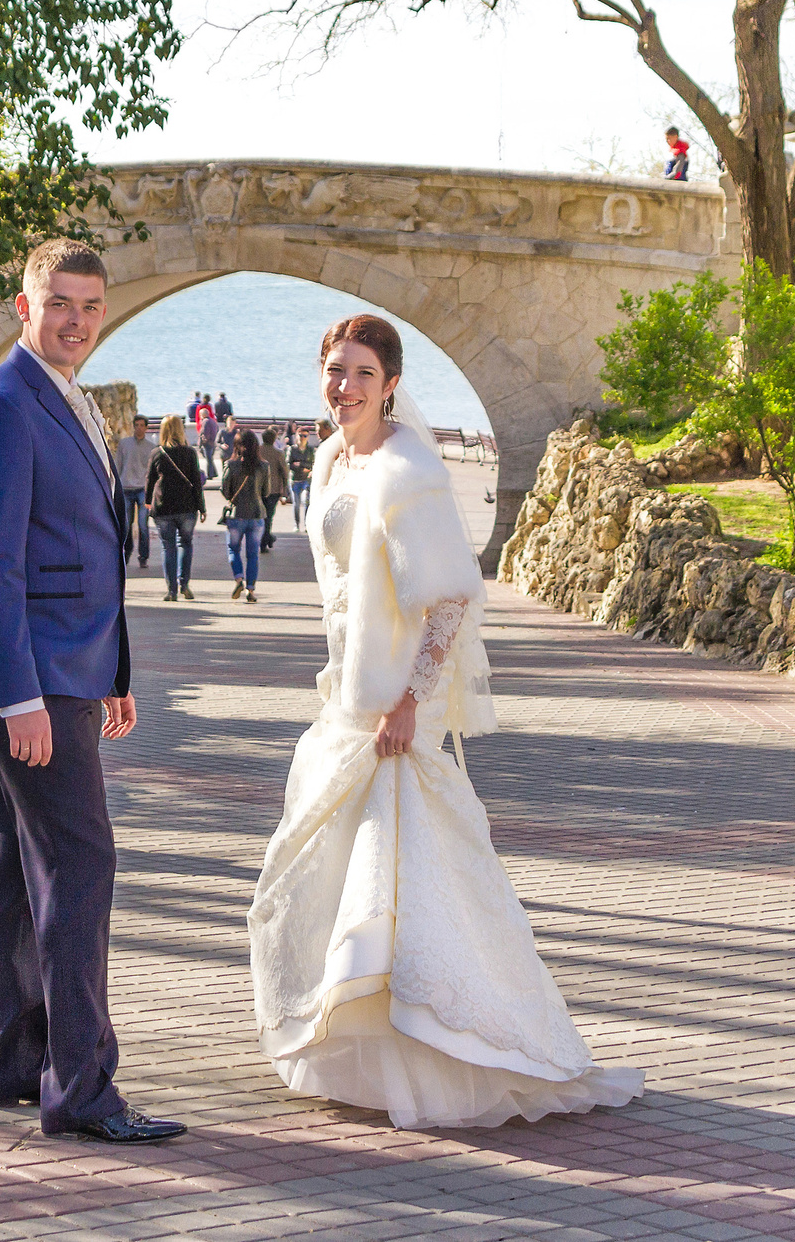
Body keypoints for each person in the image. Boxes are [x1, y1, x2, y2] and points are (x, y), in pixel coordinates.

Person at [249, 313, 644, 1129]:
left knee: (408, 872)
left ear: (391, 383)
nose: (345, 386)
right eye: (334, 369)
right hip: (345, 695)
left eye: (363, 373)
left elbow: (455, 596)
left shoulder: (408, 468)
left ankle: (459, 1044)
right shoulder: (329, 457)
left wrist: (409, 700)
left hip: (395, 704)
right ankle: (360, 1048)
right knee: (327, 866)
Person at [0, 238, 184, 1145]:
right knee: (80, 863)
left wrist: (112, 671)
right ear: (24, 306)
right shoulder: (0, 406)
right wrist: (22, 699)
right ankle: (81, 1089)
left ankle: (10, 1060)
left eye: (90, 305)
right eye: (59, 304)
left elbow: (86, 549)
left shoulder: (64, 393)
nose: (77, 320)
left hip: (68, 665)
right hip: (27, 673)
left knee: (16, 859)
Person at [144, 414, 204, 602]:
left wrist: (147, 502)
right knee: (185, 544)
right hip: (187, 507)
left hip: (163, 507)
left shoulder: (157, 453)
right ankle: (184, 584)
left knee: (168, 547)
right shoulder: (190, 453)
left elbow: (150, 480)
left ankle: (171, 590)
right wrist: (202, 507)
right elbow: (196, 481)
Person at [221, 430, 268, 601]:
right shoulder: (263, 466)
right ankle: (250, 589)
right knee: (253, 554)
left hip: (236, 515)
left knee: (233, 549)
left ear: (237, 445)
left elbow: (225, 490)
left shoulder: (231, 465)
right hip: (256, 514)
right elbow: (266, 491)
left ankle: (239, 578)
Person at [114, 415, 155, 569]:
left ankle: (143, 556)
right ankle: (126, 552)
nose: (139, 428)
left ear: (146, 427)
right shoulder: (124, 444)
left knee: (143, 525)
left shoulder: (151, 447)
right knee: (126, 524)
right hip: (126, 488)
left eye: (141, 425)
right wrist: (116, 486)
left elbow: (152, 472)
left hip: (143, 490)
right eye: (136, 425)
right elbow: (118, 465)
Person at [260, 427, 291, 553]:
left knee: (260, 515)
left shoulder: (257, 451)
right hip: (273, 489)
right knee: (269, 516)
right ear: (274, 440)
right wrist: (285, 489)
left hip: (258, 488)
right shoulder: (278, 453)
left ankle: (266, 538)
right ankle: (266, 539)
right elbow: (285, 472)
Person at [287, 426, 315, 527]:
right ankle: (297, 523)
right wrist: (302, 466)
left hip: (306, 479)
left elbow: (312, 464)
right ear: (296, 436)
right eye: (300, 435)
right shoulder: (292, 449)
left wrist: (300, 464)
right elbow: (289, 464)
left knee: (306, 502)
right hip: (295, 479)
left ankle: (307, 524)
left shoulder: (310, 450)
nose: (302, 438)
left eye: (305, 436)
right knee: (296, 504)